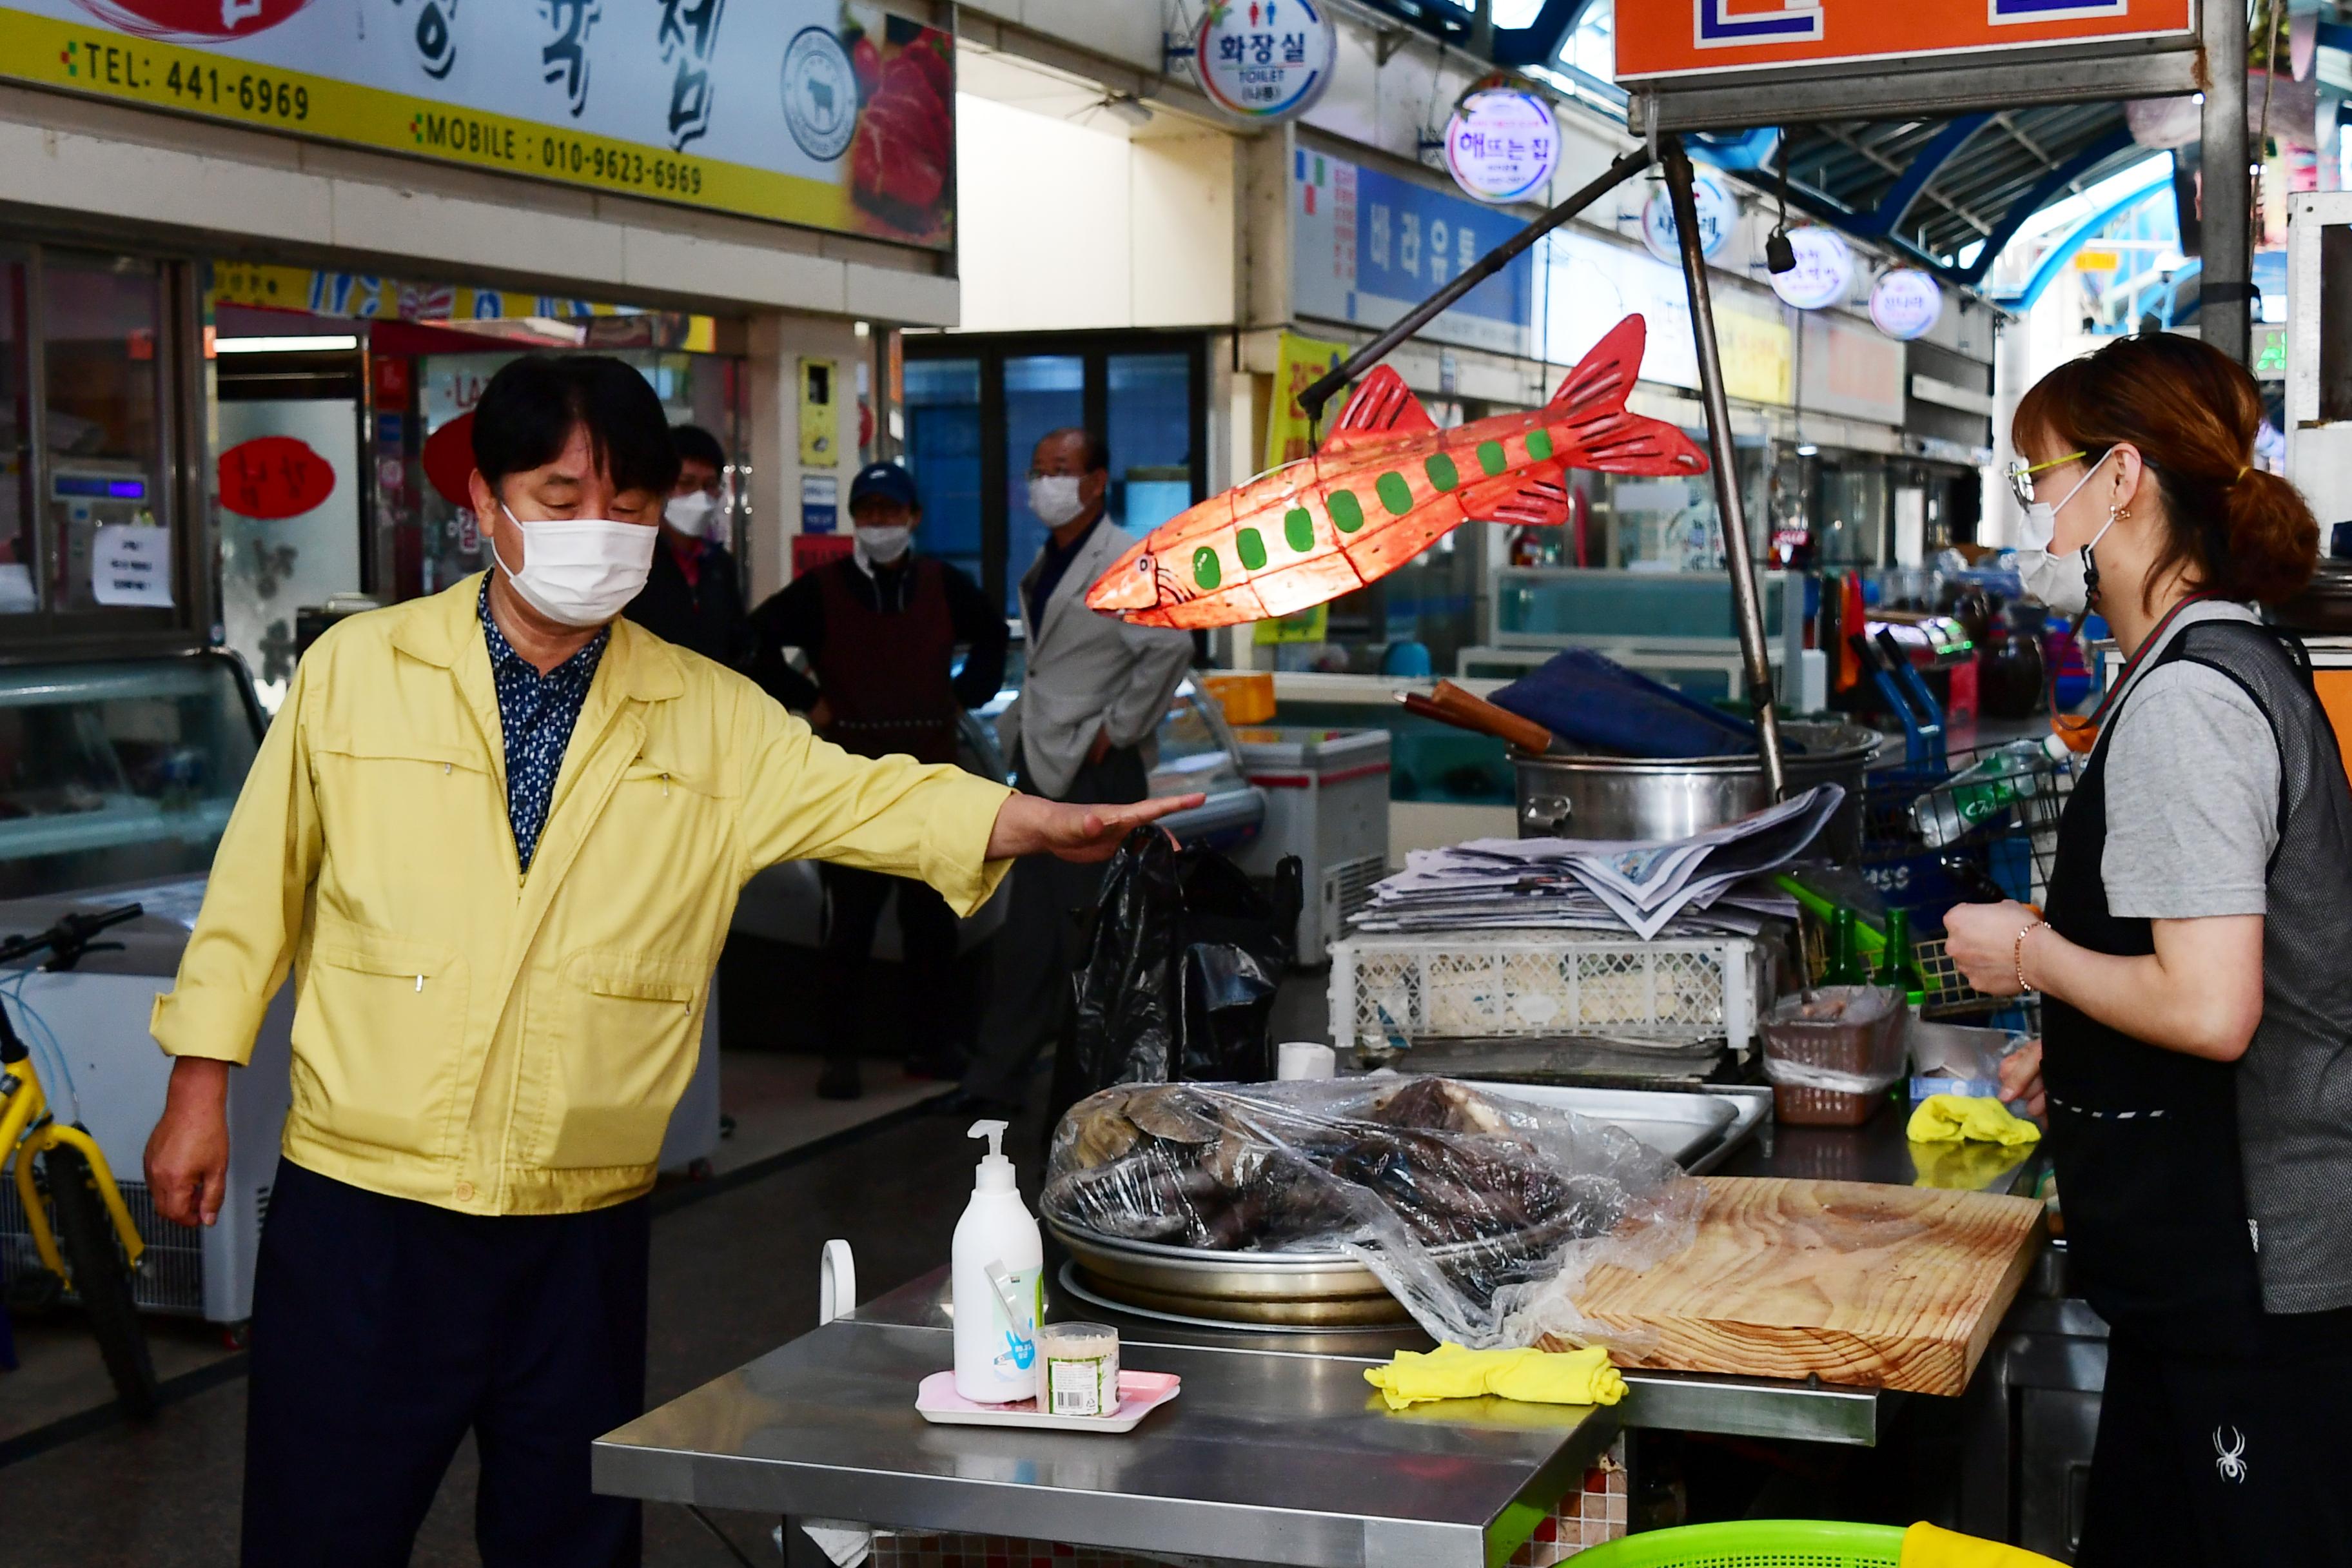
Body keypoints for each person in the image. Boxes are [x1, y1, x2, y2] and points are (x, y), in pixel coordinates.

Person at [138, 357, 1199, 1568]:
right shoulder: (360, 673)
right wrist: (198, 1087)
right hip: (368, 1203)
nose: (601, 530)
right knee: (322, 1524)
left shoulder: (709, 710)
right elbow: (253, 889)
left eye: (631, 504)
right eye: (561, 495)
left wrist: (1032, 819)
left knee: (569, 1532)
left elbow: (871, 801)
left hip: (578, 1215)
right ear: (484, 503)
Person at [1944, 333, 2352, 1567]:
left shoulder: (2185, 699)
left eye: (2037, 480)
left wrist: (2026, 957)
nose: (2031, 515)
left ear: (2118, 478)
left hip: (2254, 1278)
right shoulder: (2213, 657)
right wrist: (2075, 1047)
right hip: (2219, 1269)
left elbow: (2212, 1003)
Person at [748, 460, 1008, 1100]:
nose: (879, 524)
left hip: (929, 778)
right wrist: (809, 700)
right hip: (851, 781)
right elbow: (753, 641)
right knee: (849, 926)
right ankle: (841, 1055)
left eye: (890, 513)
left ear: (914, 518)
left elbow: (992, 635)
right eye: (867, 514)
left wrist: (964, 693)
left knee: (931, 923)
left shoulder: (943, 584)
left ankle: (931, 1043)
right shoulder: (822, 589)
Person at [952, 427, 1192, 1115]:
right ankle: (999, 1076)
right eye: (1037, 470)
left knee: (1093, 932)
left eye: (1060, 469)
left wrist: (1115, 729)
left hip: (1095, 773)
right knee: (1028, 928)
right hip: (1042, 758)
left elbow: (1171, 644)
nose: (1044, 482)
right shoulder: (1050, 559)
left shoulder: (1125, 558)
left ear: (1096, 482)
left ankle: (1099, 1084)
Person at [622, 422, 750, 667]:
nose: (700, 497)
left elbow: (736, 643)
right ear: (661, 487)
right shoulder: (634, 561)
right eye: (686, 483)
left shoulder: (720, 566)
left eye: (709, 486)